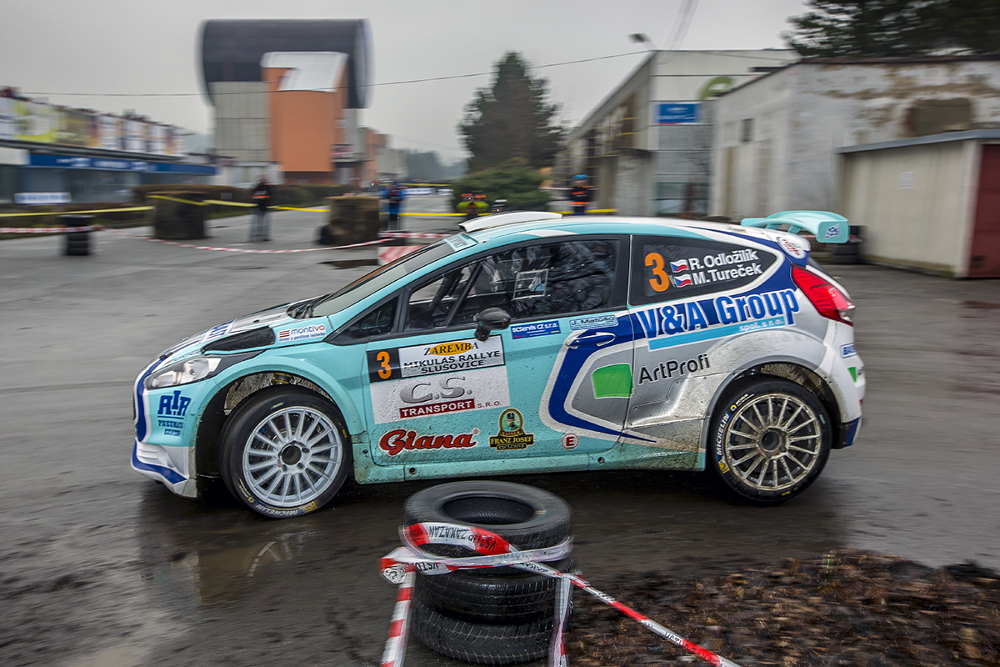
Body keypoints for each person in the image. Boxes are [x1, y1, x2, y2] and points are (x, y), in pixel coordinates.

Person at [249, 175, 272, 242]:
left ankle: (259, 236)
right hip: (260, 207)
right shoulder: (264, 188)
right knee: (261, 223)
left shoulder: (257, 187)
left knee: (260, 223)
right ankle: (260, 236)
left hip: (261, 207)